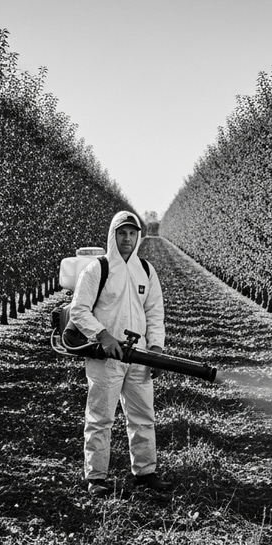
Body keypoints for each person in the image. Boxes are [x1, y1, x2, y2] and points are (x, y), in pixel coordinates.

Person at [69, 210, 171, 497]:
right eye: (122, 233)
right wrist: (102, 334)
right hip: (107, 357)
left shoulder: (146, 270)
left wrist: (156, 348)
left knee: (143, 415)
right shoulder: (97, 270)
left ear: (138, 236)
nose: (127, 238)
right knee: (100, 417)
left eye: (132, 233)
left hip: (139, 358)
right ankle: (96, 477)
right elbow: (78, 310)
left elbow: (154, 313)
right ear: (113, 235)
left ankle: (145, 471)